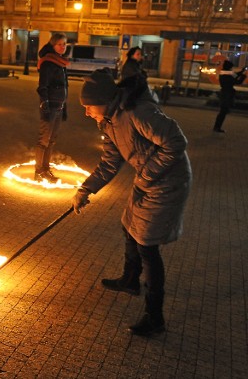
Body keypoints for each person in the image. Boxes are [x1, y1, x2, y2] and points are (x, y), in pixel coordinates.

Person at [72, 69, 192, 337]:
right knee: (129, 225)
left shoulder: (138, 112)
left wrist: (147, 173)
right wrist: (86, 188)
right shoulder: (110, 122)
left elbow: (176, 142)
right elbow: (109, 162)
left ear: (104, 100)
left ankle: (155, 317)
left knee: (147, 245)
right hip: (149, 178)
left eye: (88, 106)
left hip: (169, 181)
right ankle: (129, 280)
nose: (86, 113)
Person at [34, 32, 69, 182]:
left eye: (65, 44)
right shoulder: (48, 62)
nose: (63, 47)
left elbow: (64, 87)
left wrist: (65, 107)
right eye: (60, 44)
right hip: (50, 106)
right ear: (53, 45)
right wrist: (45, 105)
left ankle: (46, 169)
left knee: (52, 139)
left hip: (59, 106)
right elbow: (43, 87)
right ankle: (38, 171)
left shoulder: (60, 63)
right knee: (44, 139)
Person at [214, 60, 246, 133]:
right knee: (223, 111)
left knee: (223, 111)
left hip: (225, 93)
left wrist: (242, 71)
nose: (232, 69)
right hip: (226, 94)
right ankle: (217, 127)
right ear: (228, 67)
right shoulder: (227, 75)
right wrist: (243, 76)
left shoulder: (224, 72)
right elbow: (237, 81)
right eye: (231, 67)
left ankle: (217, 127)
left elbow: (235, 75)